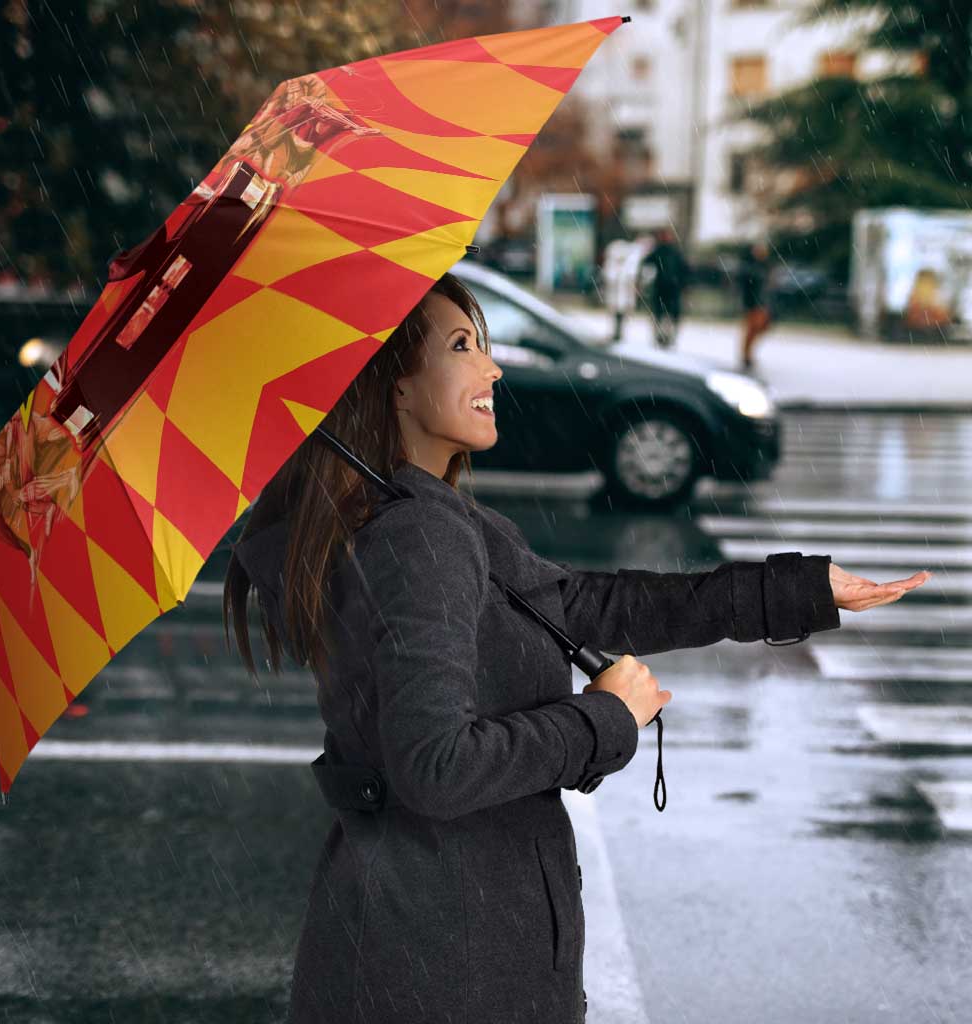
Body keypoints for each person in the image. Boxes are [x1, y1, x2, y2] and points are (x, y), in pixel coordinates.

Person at [223, 272, 929, 1024]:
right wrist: (603, 719)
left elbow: (587, 606)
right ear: (394, 384)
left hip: (421, 941)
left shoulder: (414, 518)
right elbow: (436, 767)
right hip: (449, 963)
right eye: (462, 347)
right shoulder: (419, 536)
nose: (492, 368)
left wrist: (796, 591)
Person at [640, 226, 690, 349]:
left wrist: (683, 284)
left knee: (667, 315)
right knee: (662, 314)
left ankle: (667, 337)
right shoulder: (662, 251)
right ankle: (661, 337)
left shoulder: (672, 252)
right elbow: (646, 263)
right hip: (664, 288)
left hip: (670, 289)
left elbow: (684, 270)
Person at [738, 239, 774, 370]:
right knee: (752, 329)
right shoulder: (750, 267)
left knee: (760, 327)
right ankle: (746, 355)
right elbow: (747, 286)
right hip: (753, 303)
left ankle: (747, 354)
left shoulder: (764, 266)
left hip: (762, 303)